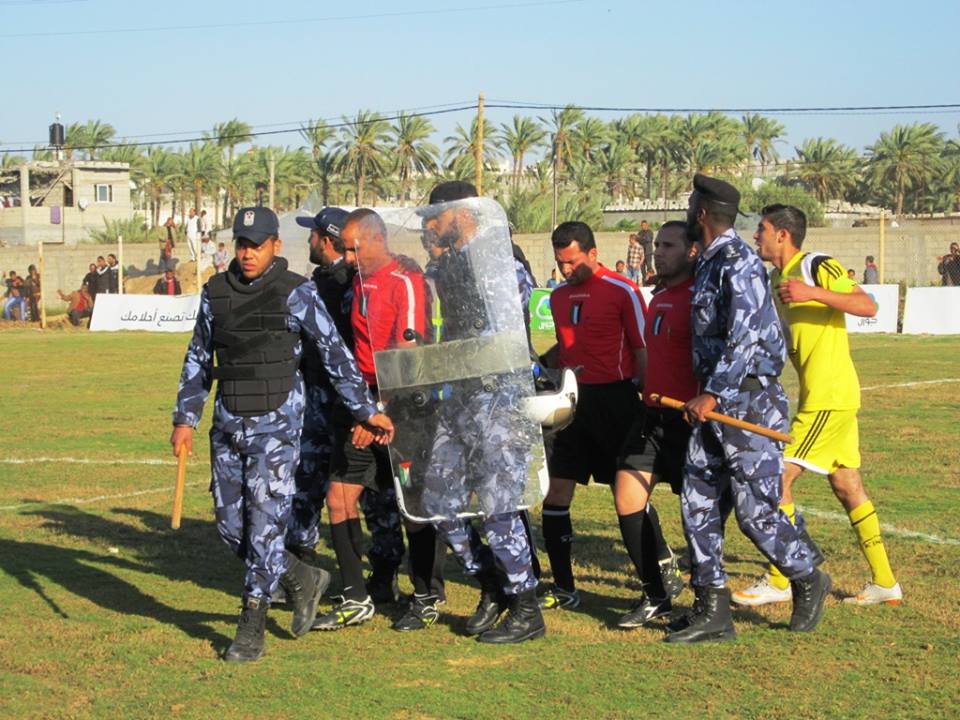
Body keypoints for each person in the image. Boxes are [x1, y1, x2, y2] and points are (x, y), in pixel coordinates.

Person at [169, 206, 394, 663]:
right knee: (233, 528)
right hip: (228, 423)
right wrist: (184, 418)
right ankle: (300, 576)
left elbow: (335, 356)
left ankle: (251, 625)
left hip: (277, 426)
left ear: (275, 245)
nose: (248, 253)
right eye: (241, 243)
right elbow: (197, 358)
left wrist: (365, 410)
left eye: (257, 244)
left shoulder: (298, 293)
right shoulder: (215, 293)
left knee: (267, 523)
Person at [666, 175, 830, 644]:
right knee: (697, 499)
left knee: (754, 510)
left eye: (690, 203)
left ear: (701, 213)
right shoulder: (709, 262)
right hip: (713, 403)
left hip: (748, 402)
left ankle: (807, 574)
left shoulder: (737, 262)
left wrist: (712, 394)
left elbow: (745, 337)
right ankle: (712, 607)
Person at [740, 204, 902, 607]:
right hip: (826, 396)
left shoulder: (815, 265)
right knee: (848, 485)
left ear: (782, 234)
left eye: (761, 229)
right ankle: (885, 582)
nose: (755, 236)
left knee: (776, 480)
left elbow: (867, 305)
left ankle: (781, 577)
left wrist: (812, 292)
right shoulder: (776, 277)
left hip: (829, 399)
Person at [417, 180, 544, 644]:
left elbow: (506, 331)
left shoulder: (499, 260)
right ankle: (493, 583)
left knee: (498, 506)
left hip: (499, 399)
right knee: (438, 500)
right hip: (459, 399)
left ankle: (526, 607)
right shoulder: (448, 265)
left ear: (462, 213)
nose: (430, 225)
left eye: (437, 215)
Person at [311, 208, 429, 631]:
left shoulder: (405, 280)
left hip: (401, 409)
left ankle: (427, 594)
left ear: (378, 240)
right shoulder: (357, 281)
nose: (348, 257)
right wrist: (362, 409)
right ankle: (355, 597)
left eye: (354, 249)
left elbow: (407, 355)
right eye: (344, 249)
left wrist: (377, 411)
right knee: (340, 496)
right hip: (362, 407)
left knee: (412, 505)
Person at [539, 220, 647, 612]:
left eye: (571, 262)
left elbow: (642, 347)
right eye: (560, 263)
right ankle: (565, 587)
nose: (566, 271)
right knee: (556, 491)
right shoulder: (558, 297)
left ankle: (658, 570)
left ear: (593, 253)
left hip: (616, 401)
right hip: (571, 403)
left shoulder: (623, 290)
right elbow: (570, 345)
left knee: (630, 494)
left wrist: (645, 395)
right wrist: (541, 364)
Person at [613, 221, 696, 629]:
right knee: (627, 496)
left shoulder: (700, 298)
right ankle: (655, 594)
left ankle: (706, 602)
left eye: (669, 245)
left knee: (698, 517)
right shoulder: (659, 295)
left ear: (691, 252)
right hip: (651, 418)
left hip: (690, 421)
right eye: (657, 244)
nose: (658, 252)